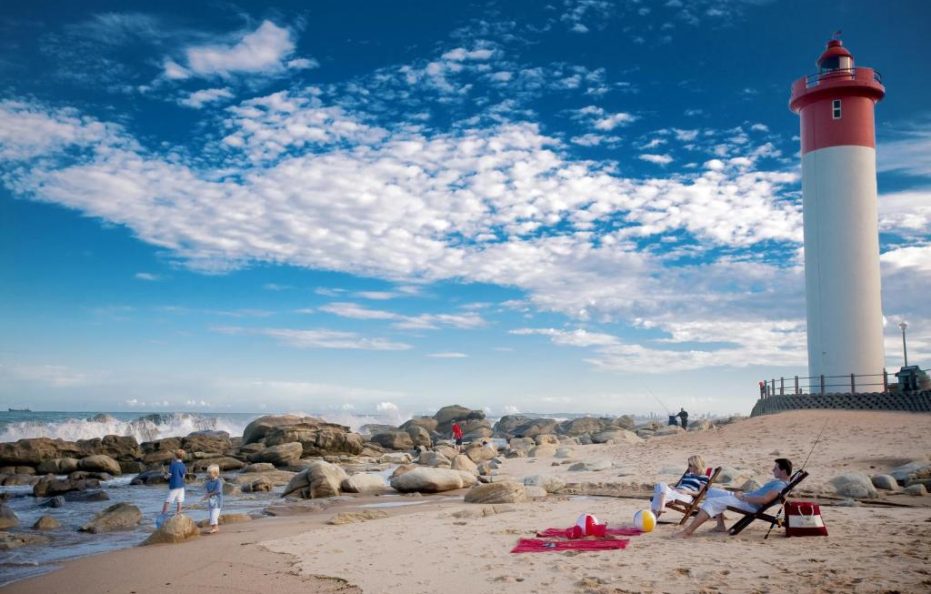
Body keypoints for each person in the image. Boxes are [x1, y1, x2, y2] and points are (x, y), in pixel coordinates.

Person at [676, 458, 792, 537]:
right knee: (711, 492)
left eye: (776, 468)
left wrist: (743, 498)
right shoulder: (779, 482)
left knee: (711, 502)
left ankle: (688, 531)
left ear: (783, 471)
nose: (773, 470)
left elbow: (765, 500)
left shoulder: (780, 485)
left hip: (749, 504)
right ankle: (720, 526)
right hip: (745, 498)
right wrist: (743, 495)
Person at [162, 449, 186, 515]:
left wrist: (165, 477)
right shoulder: (183, 465)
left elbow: (169, 475)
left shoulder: (173, 465)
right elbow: (183, 476)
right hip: (181, 486)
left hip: (174, 485)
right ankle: (178, 514)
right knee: (180, 501)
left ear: (175, 456)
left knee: (168, 500)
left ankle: (163, 514)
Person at [202, 464, 224, 534]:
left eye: (210, 473)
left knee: (214, 514)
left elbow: (218, 491)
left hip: (217, 501)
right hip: (211, 501)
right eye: (208, 473)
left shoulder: (218, 481)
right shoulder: (208, 482)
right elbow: (206, 489)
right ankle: (214, 527)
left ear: (216, 473)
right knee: (211, 514)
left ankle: (215, 528)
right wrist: (206, 495)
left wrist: (209, 494)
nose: (208, 474)